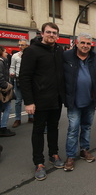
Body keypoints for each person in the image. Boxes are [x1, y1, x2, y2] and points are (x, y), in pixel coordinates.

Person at [20, 22, 65, 181]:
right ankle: (38, 163)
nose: (52, 35)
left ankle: (54, 154)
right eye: (49, 32)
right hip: (39, 100)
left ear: (57, 35)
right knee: (38, 131)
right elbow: (24, 78)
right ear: (42, 33)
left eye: (54, 33)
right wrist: (29, 102)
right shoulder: (32, 51)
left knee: (54, 128)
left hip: (56, 100)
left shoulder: (59, 50)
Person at [63, 33, 96, 171]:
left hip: (90, 100)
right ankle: (70, 156)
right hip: (74, 100)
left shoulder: (95, 57)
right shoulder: (67, 56)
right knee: (73, 129)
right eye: (83, 43)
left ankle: (84, 150)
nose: (85, 46)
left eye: (88, 44)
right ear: (76, 43)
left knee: (86, 127)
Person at [10, 39, 34, 128]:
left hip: (29, 80)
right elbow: (12, 67)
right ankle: (17, 119)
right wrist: (12, 73)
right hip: (18, 80)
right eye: (19, 45)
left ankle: (31, 117)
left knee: (30, 99)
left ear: (27, 45)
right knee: (18, 101)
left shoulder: (31, 54)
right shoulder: (15, 56)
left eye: (22, 45)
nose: (20, 46)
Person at [0, 46, 16, 137]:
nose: (7, 53)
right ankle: (3, 127)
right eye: (5, 52)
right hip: (3, 89)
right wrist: (7, 86)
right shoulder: (1, 62)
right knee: (7, 107)